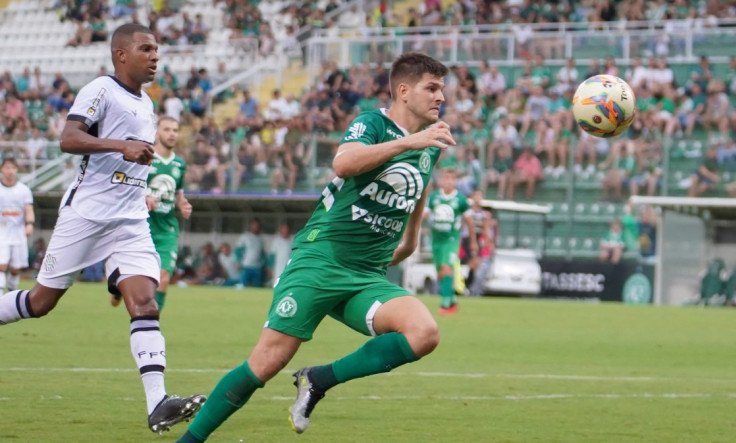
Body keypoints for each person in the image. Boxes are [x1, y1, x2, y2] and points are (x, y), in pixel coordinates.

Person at [177, 52, 453, 442]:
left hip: (366, 276)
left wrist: (408, 242)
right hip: (321, 260)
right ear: (404, 91)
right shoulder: (372, 123)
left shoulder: (429, 145)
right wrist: (413, 141)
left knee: (424, 333)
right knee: (267, 362)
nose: (441, 96)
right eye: (432, 87)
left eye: (442, 89)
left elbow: (416, 191)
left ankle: (319, 379)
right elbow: (345, 164)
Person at [0, 24, 205, 433]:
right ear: (121, 55)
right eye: (145, 48)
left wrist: (142, 187)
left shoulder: (147, 104)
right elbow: (68, 138)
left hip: (129, 219)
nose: (155, 56)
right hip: (87, 215)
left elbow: (133, 162)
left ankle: (158, 403)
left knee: (145, 304)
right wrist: (120, 145)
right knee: (41, 303)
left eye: (157, 49)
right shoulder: (100, 90)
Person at [111, 116, 191, 311]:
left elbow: (178, 194)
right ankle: (116, 286)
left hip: (166, 230)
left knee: (163, 278)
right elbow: (124, 187)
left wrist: (183, 204)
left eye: (175, 130)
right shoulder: (144, 157)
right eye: (167, 129)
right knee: (124, 286)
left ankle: (150, 325)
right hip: (140, 227)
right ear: (156, 132)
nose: (172, 134)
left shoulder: (179, 164)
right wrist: (144, 197)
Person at [427, 169, 477, 314]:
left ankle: (445, 303)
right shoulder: (434, 197)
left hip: (451, 239)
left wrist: (473, 241)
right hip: (436, 239)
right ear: (441, 181)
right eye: (446, 178)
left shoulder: (461, 199)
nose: (448, 181)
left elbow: (469, 221)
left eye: (451, 178)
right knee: (440, 272)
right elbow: (424, 214)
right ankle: (452, 300)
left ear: (455, 182)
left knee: (446, 267)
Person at [0, 158, 34, 292]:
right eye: (7, 168)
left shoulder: (23, 190)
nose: (10, 171)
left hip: (18, 232)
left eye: (12, 168)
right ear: (2, 169)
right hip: (2, 231)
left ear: (16, 170)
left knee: (15, 268)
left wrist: (29, 224)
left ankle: (12, 291)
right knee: (1, 265)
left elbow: (28, 209)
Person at [463, 190, 495, 296]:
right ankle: (467, 287)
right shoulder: (468, 212)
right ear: (472, 197)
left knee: (476, 264)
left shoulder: (484, 214)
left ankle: (470, 288)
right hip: (468, 239)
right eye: (477, 196)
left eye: (480, 196)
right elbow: (468, 228)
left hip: (478, 239)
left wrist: (488, 242)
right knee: (473, 263)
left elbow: (485, 229)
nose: (478, 198)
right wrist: (472, 242)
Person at [237, 218, 266, 288]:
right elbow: (238, 250)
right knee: (242, 285)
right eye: (254, 225)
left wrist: (264, 264)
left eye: (257, 225)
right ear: (250, 226)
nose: (256, 227)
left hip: (257, 267)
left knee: (257, 287)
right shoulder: (245, 236)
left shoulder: (261, 239)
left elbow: (263, 254)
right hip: (246, 265)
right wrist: (238, 261)